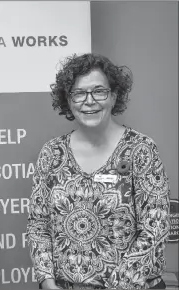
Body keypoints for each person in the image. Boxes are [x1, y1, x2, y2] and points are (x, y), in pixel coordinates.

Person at [26, 53, 171, 289]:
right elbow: (38, 225)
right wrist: (47, 281)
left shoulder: (140, 149)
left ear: (114, 96)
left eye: (99, 91)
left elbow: (155, 230)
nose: (89, 100)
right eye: (79, 93)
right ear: (68, 101)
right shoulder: (52, 153)